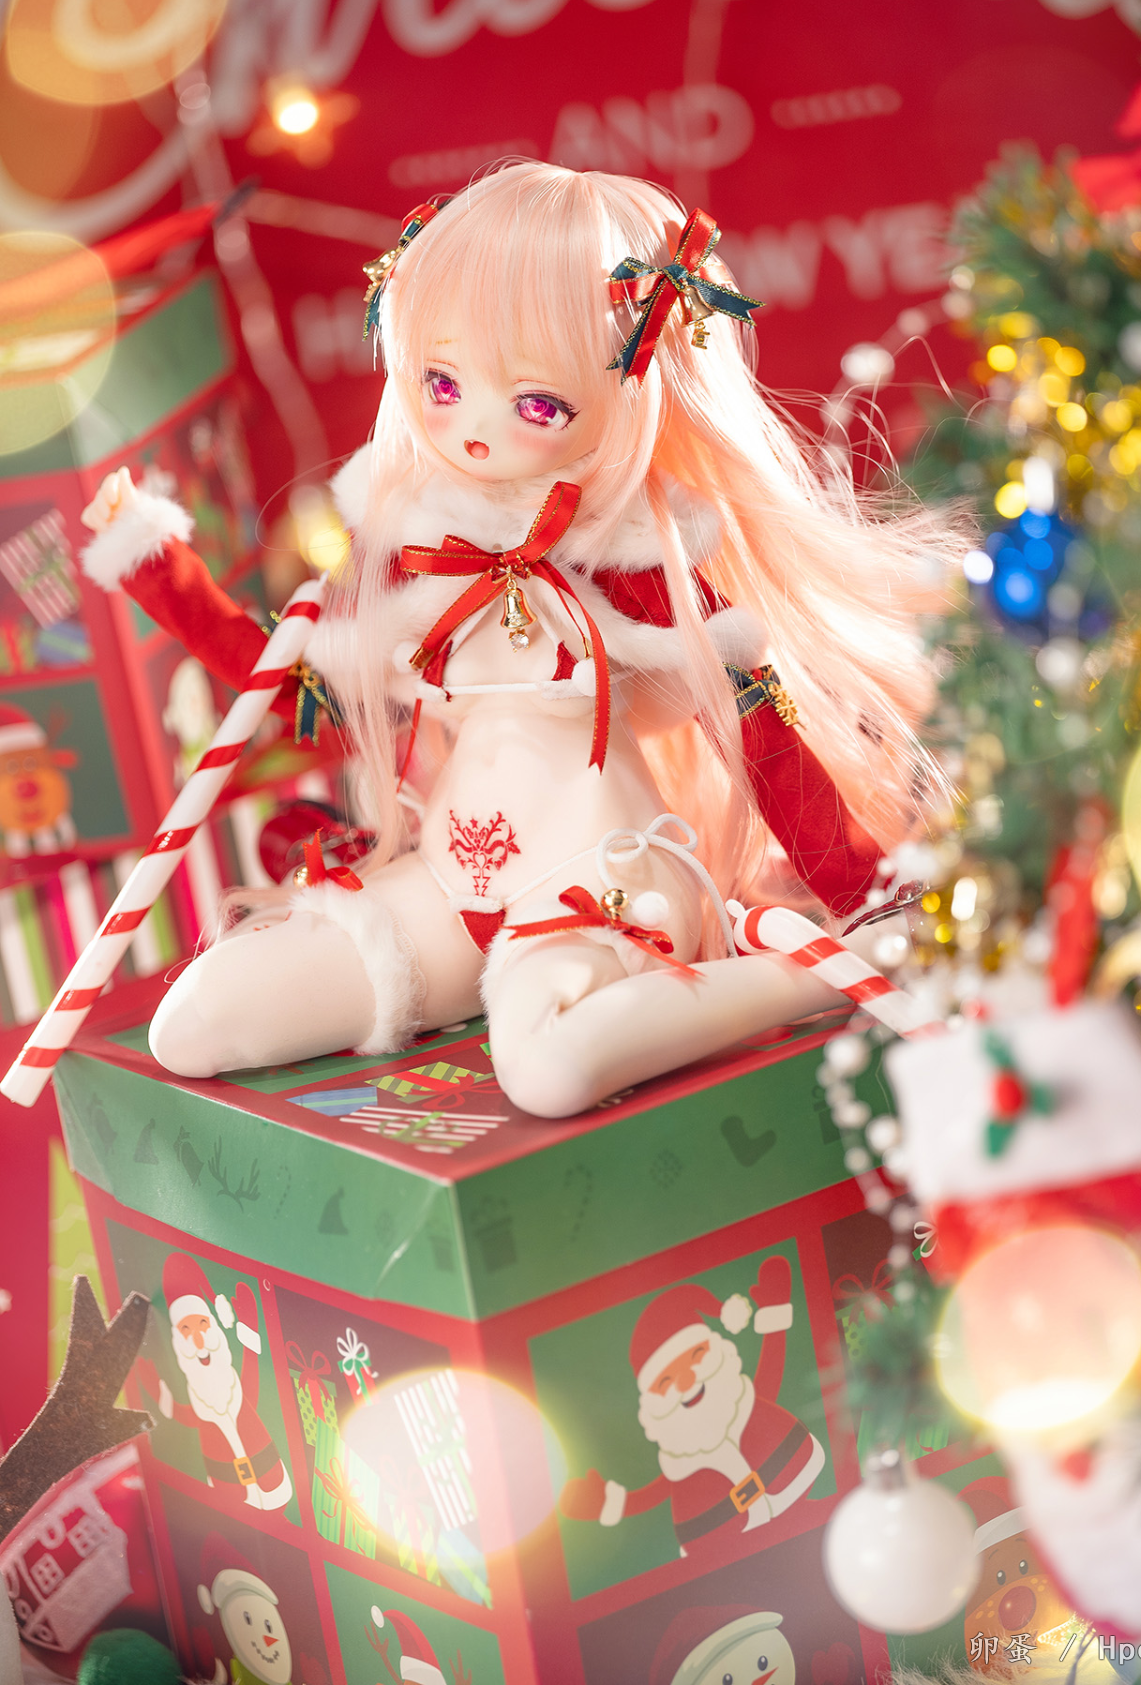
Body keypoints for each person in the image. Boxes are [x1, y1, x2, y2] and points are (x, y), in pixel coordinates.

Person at [80, 164, 958, 1118]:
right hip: (447, 875)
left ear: (628, 390)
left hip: (601, 873)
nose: (474, 430)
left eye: (537, 402)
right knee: (196, 1023)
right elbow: (304, 699)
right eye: (442, 382)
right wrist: (157, 568)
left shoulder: (630, 559)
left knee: (547, 1069)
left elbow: (757, 732)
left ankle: (823, 973)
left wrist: (860, 895)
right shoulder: (412, 549)